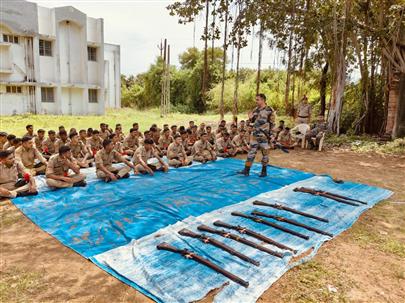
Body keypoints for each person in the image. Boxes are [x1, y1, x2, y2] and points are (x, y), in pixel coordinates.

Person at [238, 93, 275, 177]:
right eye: (256, 99)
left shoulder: (269, 110)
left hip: (264, 136)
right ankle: (246, 170)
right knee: (251, 153)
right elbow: (251, 123)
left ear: (263, 100)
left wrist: (272, 135)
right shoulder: (255, 110)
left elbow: (273, 124)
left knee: (265, 154)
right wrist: (250, 118)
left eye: (257, 100)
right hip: (255, 135)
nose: (256, 101)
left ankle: (264, 171)